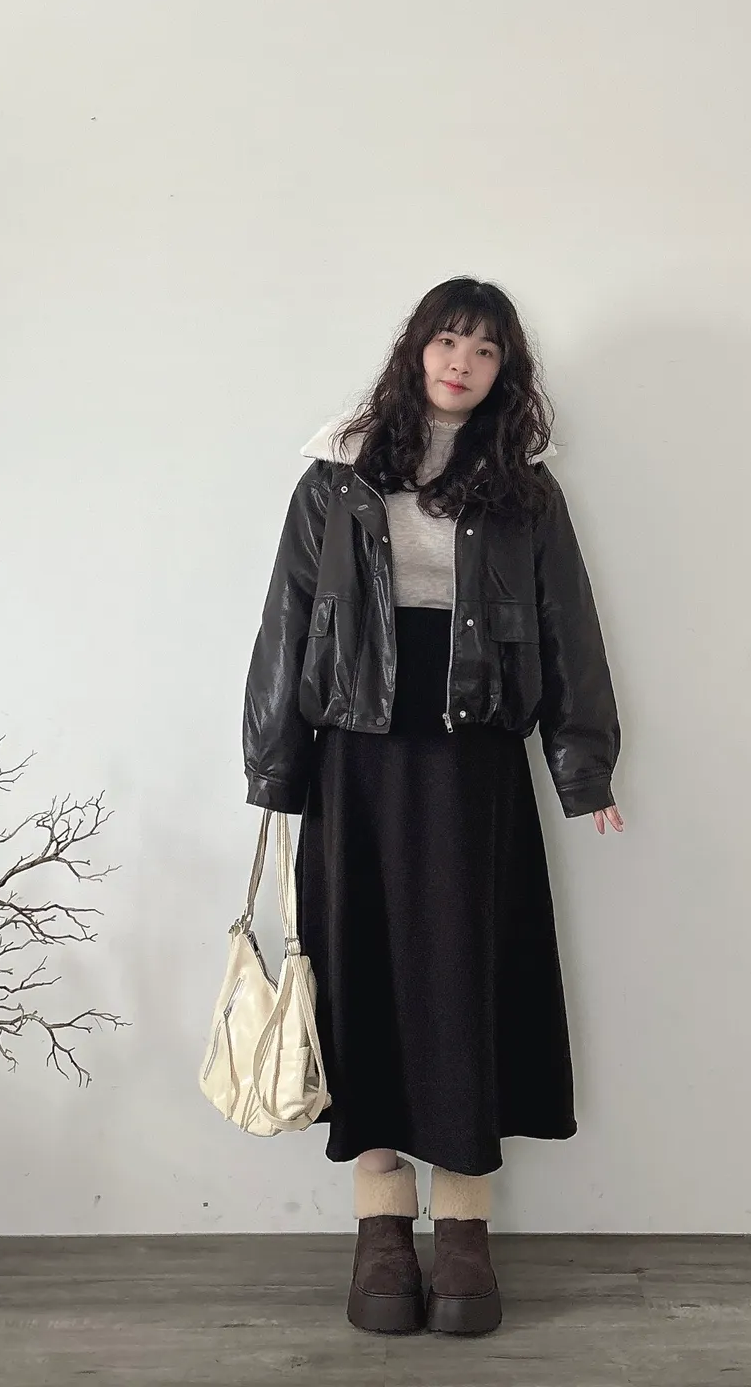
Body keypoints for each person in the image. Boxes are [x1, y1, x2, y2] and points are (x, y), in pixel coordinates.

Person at [242, 276, 622, 1337]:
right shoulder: (335, 478)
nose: (462, 361)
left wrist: (584, 769)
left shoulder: (526, 494)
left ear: (507, 374)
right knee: (359, 977)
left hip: (474, 762)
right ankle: (380, 1229)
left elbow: (569, 628)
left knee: (464, 984)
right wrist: (274, 772)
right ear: (416, 349)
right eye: (449, 339)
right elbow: (286, 624)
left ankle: (462, 1234)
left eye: (486, 350)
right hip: (354, 762)